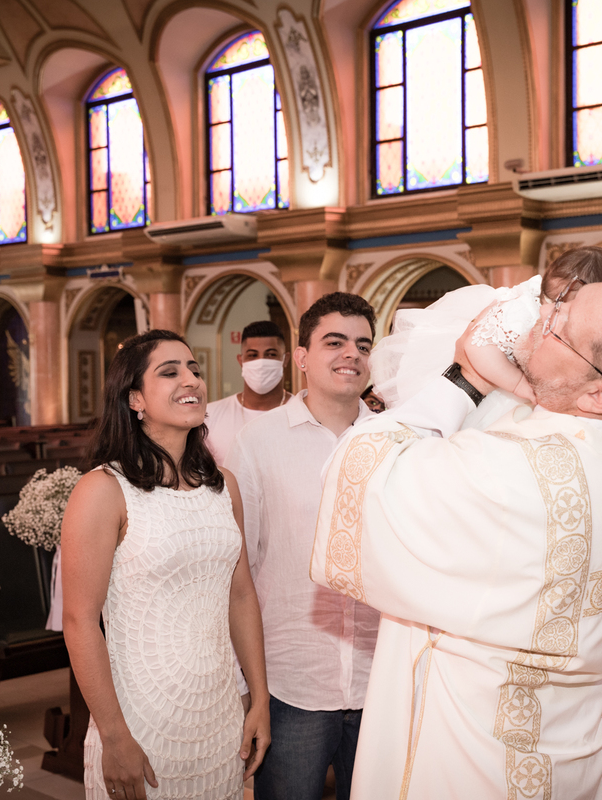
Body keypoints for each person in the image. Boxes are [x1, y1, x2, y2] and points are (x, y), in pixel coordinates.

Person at [311, 279, 602, 799]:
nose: (542, 319)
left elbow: (358, 477)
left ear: (598, 394)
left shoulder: (514, 475)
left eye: (560, 328)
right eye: (560, 305)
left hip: (472, 750)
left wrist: (466, 377)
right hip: (567, 738)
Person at [61, 329, 270, 800]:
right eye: (169, 372)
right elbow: (79, 621)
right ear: (134, 398)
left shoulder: (223, 486)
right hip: (141, 720)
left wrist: (259, 698)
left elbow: (240, 596)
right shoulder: (103, 490)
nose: (191, 380)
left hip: (220, 716)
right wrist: (114, 735)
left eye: (194, 369)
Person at [226, 293, 379, 800]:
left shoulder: (393, 439)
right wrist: (248, 685)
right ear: (302, 357)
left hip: (380, 679)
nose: (351, 354)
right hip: (291, 681)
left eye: (363, 345)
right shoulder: (259, 441)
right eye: (334, 342)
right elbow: (239, 568)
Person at [370, 245, 602, 412]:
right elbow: (477, 347)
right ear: (568, 294)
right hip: (484, 380)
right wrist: (518, 384)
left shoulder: (551, 307)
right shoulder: (521, 311)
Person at [203, 320, 291, 467]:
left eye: (271, 354)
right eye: (252, 355)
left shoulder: (303, 414)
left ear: (285, 359)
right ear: (241, 360)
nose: (261, 363)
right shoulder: (209, 416)